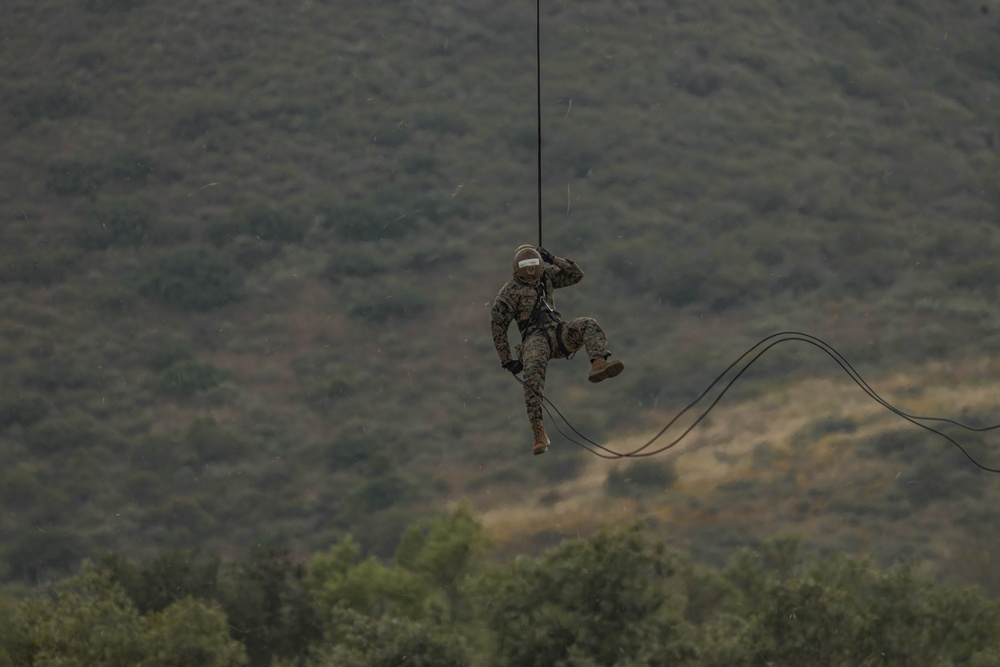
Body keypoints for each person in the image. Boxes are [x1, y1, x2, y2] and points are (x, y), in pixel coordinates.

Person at [491, 244, 624, 455]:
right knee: (532, 372)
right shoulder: (509, 293)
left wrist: (553, 258)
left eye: (535, 267)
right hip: (534, 339)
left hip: (557, 332)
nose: (532, 275)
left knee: (587, 324)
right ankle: (538, 431)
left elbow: (575, 275)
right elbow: (498, 325)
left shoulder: (546, 276)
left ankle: (598, 363)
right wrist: (506, 358)